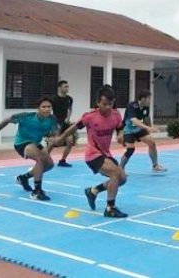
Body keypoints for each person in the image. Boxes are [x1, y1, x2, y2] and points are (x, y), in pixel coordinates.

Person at [55, 85, 128, 217]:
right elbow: (73, 128)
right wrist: (60, 138)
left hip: (106, 154)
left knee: (122, 179)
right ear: (98, 103)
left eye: (110, 104)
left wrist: (121, 134)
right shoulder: (90, 117)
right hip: (92, 155)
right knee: (116, 174)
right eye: (104, 104)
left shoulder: (116, 115)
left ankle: (93, 191)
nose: (107, 107)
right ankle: (110, 208)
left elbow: (120, 128)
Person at [0, 97, 58, 201]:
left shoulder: (52, 119)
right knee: (40, 158)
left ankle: (23, 178)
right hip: (22, 143)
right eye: (44, 107)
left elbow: (55, 134)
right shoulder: (26, 116)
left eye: (49, 107)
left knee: (49, 165)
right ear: (38, 108)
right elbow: (7, 120)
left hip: (36, 143)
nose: (46, 109)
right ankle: (36, 192)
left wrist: (55, 139)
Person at [120, 90, 165, 173]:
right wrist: (147, 128)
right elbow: (134, 120)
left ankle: (155, 165)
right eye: (149, 98)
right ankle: (120, 169)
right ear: (143, 99)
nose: (150, 100)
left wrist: (151, 127)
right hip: (128, 129)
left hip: (138, 128)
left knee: (152, 143)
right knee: (130, 150)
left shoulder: (146, 107)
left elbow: (146, 118)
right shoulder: (132, 105)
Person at [50, 80, 75, 167]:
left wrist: (68, 118)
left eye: (68, 86)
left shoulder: (69, 99)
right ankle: (44, 158)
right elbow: (50, 111)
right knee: (53, 143)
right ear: (60, 88)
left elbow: (70, 109)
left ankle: (62, 160)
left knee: (70, 142)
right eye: (65, 86)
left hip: (65, 123)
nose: (67, 88)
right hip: (56, 123)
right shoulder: (53, 99)